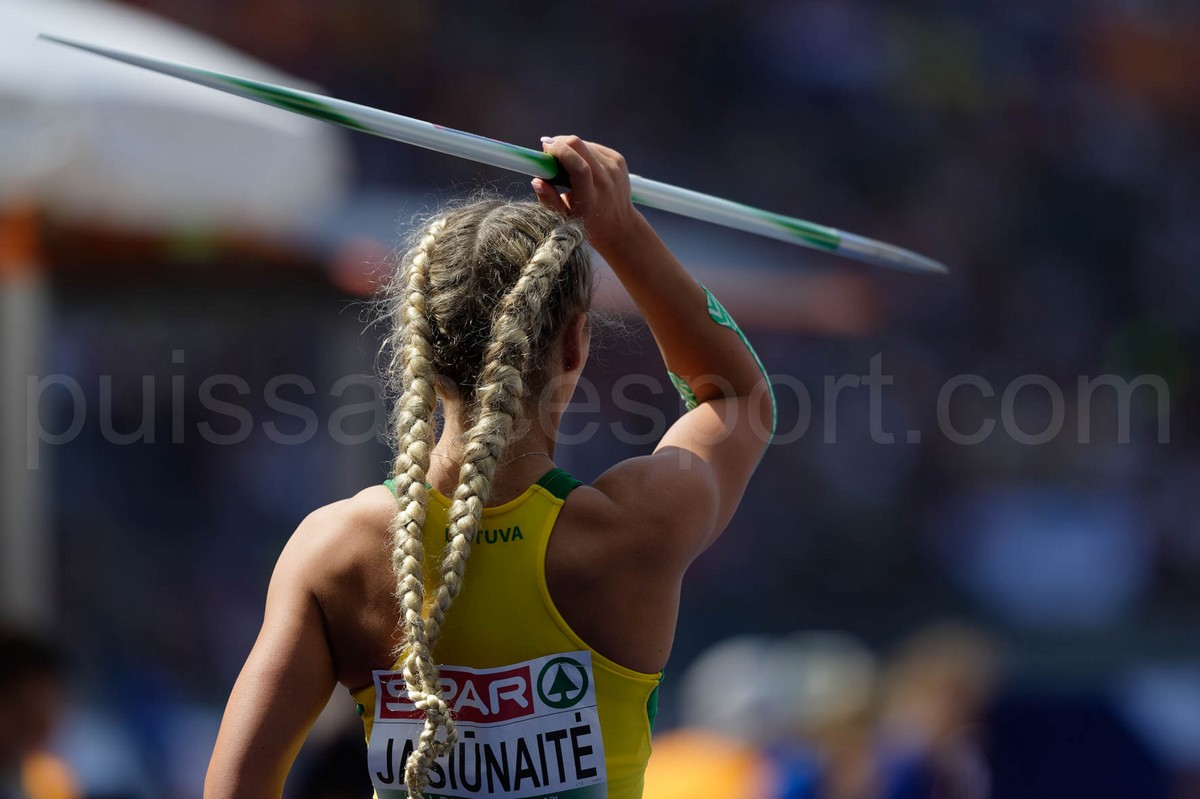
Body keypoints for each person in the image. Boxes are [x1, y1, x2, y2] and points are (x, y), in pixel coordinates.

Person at [204, 136, 775, 798]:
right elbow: (740, 397)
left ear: (420, 346)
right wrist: (620, 231)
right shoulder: (634, 529)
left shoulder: (334, 551)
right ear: (575, 343)